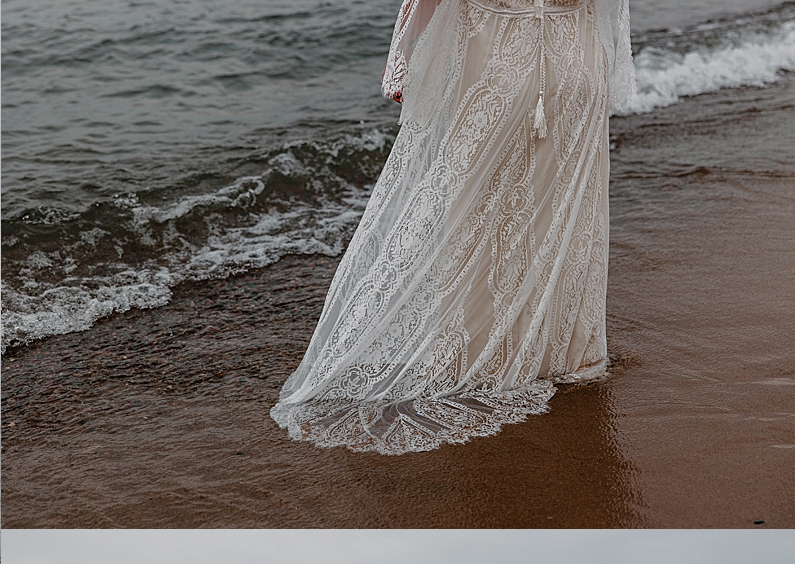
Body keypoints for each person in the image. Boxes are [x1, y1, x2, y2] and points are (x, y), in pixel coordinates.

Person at [270, 0, 636, 454]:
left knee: (479, 212)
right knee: (565, 213)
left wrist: (404, 59)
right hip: (577, 60)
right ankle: (568, 354)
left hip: (496, 57)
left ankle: (483, 361)